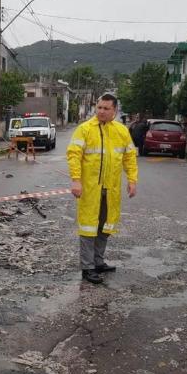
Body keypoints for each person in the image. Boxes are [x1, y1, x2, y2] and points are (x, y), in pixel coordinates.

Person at [67, 93, 138, 284]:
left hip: (111, 189)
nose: (101, 111)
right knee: (88, 228)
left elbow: (130, 157)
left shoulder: (121, 131)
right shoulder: (85, 129)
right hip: (90, 189)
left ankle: (98, 262)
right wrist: (76, 180)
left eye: (106, 108)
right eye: (99, 107)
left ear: (115, 110)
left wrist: (132, 180)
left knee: (105, 227)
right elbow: (73, 154)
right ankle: (87, 267)